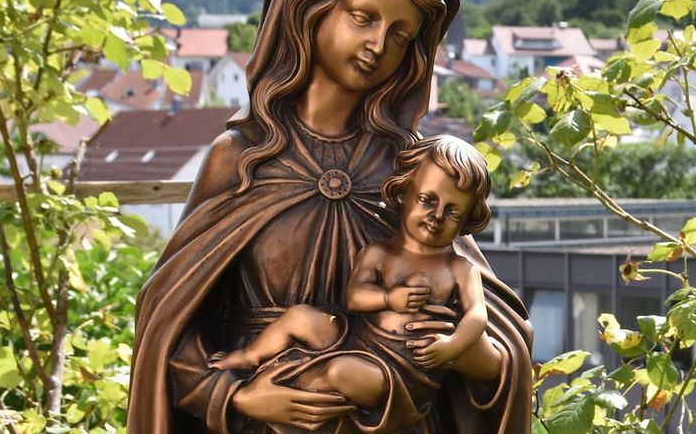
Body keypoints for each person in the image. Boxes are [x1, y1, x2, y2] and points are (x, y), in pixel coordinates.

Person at [128, 0, 532, 434]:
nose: (378, 45)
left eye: (400, 35)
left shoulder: (411, 169)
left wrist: (460, 352)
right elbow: (170, 320)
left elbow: (499, 343)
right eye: (362, 17)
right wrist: (238, 397)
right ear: (312, 10)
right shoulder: (242, 158)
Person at [206, 135, 504, 432]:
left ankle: (292, 385)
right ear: (403, 192)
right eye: (427, 201)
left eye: (453, 213)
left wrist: (453, 347)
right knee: (299, 318)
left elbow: (478, 316)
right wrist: (388, 299)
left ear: (467, 219)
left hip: (401, 371)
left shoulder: (459, 267)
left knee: (340, 371)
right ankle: (250, 357)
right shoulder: (380, 253)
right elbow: (355, 298)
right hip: (360, 338)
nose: (437, 217)